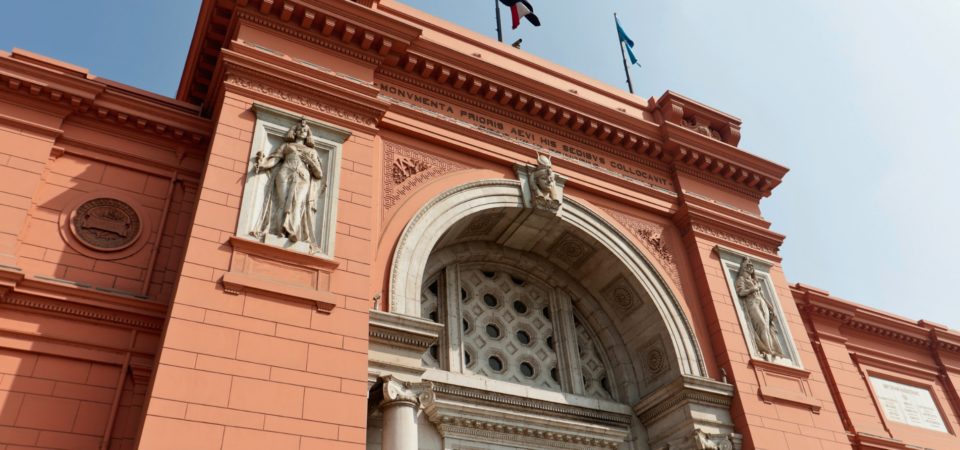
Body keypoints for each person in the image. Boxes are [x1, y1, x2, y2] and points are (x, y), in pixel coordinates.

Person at [251, 118, 325, 251]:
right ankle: (279, 231)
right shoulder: (286, 146)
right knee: (282, 201)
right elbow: (274, 160)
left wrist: (311, 162)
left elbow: (319, 174)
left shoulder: (312, 152)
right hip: (285, 172)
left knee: (297, 202)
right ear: (294, 131)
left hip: (302, 177)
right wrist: (262, 166)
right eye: (299, 129)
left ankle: (292, 232)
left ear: (308, 134)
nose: (302, 131)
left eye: (305, 130)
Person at [735, 257, 785, 359]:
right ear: (744, 267)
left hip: (761, 302)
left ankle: (770, 350)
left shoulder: (755, 281)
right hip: (752, 302)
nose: (751, 268)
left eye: (752, 267)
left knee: (766, 327)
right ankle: (766, 349)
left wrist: (771, 308)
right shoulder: (741, 279)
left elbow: (763, 296)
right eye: (748, 266)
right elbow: (740, 292)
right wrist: (753, 289)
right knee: (761, 324)